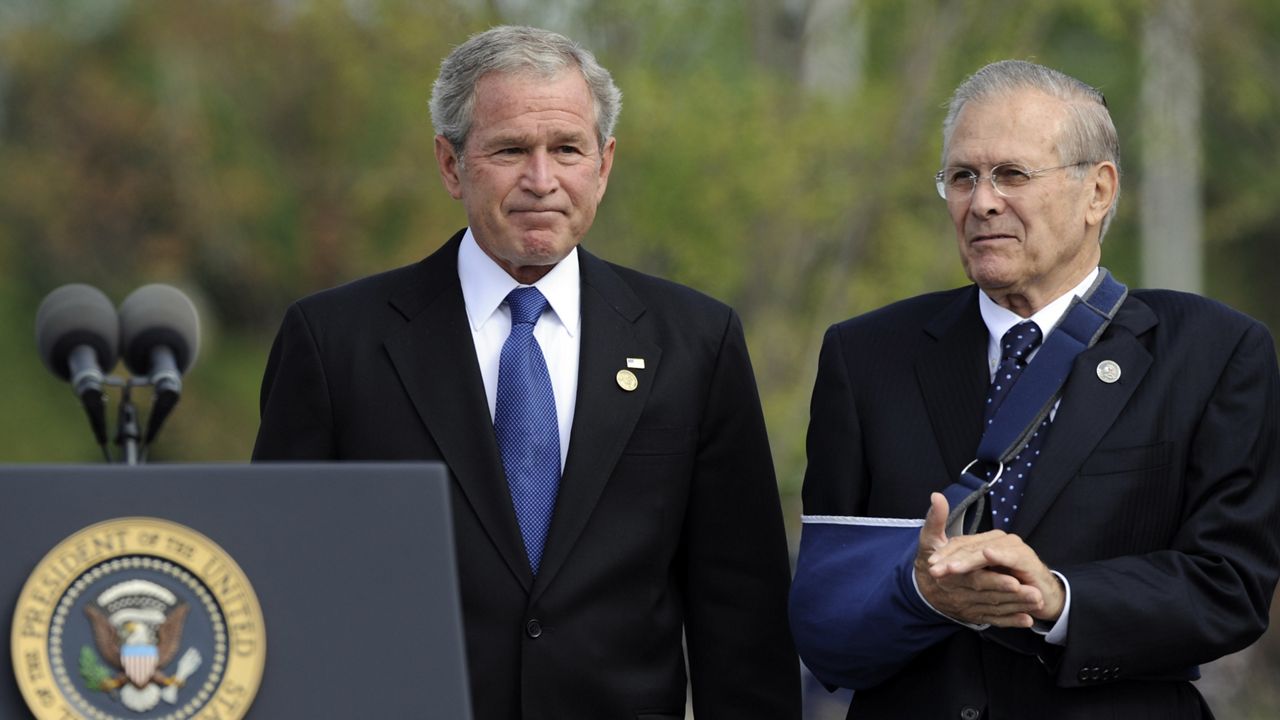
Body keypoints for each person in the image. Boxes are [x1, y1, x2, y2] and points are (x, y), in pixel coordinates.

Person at [252, 25, 800, 719]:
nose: (542, 181)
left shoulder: (695, 341)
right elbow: (281, 593)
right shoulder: (335, 343)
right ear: (451, 165)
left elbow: (742, 620)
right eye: (510, 150)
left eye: (566, 150)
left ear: (603, 165)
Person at [791, 59, 1280, 718]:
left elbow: (1230, 587)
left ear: (1098, 192)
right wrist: (920, 596)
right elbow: (826, 613)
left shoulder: (1212, 352)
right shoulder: (867, 355)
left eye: (1012, 175)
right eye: (962, 177)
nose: (982, 201)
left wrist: (1057, 598)